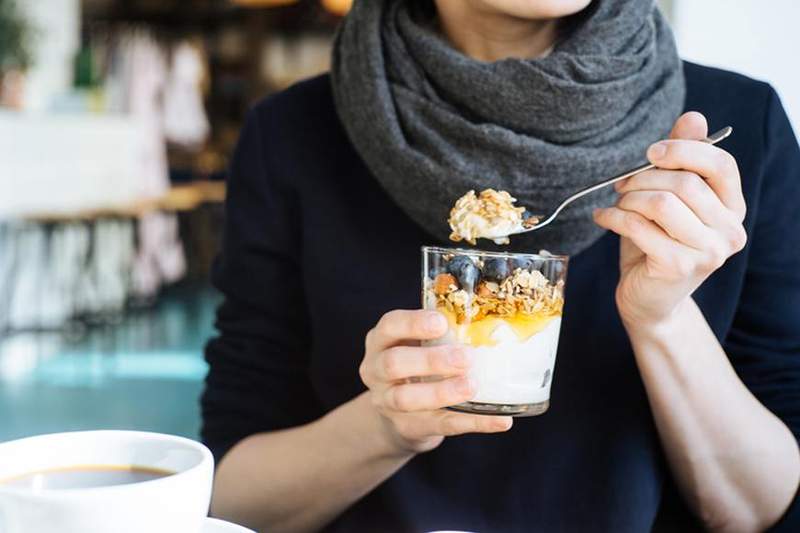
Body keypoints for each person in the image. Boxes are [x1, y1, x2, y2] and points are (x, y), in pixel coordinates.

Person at [201, 0, 800, 531]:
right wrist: (386, 428)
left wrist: (664, 320)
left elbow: (761, 509)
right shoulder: (291, 135)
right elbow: (231, 500)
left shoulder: (732, 136)